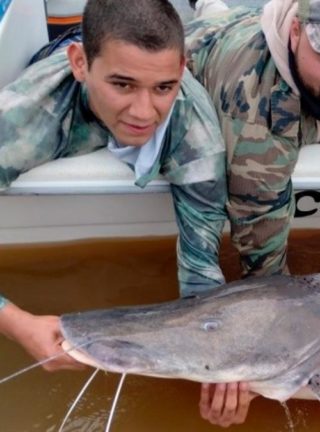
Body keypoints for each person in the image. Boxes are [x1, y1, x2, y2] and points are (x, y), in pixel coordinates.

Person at [0, 0, 231, 425]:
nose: (144, 113)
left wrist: (221, 372)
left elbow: (201, 278)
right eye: (122, 85)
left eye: (163, 87)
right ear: (80, 64)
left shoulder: (198, 141)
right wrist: (16, 323)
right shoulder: (20, 122)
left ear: (182, 70)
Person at [183, 0, 320, 426]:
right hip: (219, 69)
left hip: (232, 23)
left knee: (214, 13)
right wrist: (243, 375)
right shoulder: (260, 132)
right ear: (298, 33)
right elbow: (264, 274)